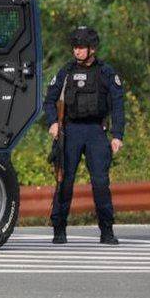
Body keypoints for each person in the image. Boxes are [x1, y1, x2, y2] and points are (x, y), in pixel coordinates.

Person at [44, 26, 125, 246]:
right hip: (70, 132)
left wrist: (117, 135)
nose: (77, 51)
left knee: (100, 182)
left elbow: (118, 104)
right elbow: (49, 100)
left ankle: (106, 231)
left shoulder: (106, 72)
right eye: (75, 47)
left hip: (96, 132)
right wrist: (52, 122)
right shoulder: (66, 71)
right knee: (64, 181)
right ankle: (59, 229)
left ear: (92, 49)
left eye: (81, 47)